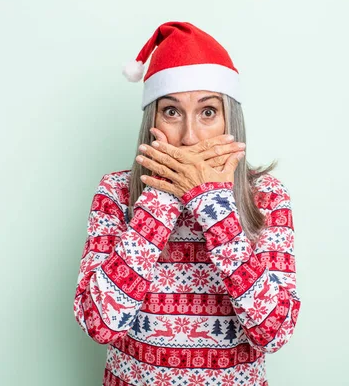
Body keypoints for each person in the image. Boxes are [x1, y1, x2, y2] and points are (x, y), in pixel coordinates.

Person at [73, 21, 301, 386]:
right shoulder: (115, 194)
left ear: (231, 120)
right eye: (172, 112)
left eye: (208, 112)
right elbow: (99, 323)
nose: (190, 136)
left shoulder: (268, 197)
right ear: (152, 120)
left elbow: (274, 332)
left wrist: (214, 207)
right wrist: (163, 197)